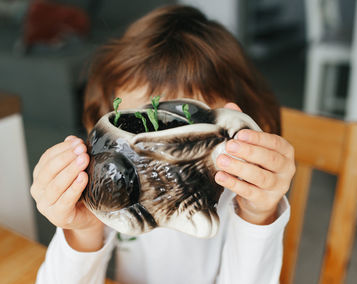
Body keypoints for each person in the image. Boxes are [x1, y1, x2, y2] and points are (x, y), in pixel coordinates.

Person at [32, 5, 296, 284]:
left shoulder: (235, 194)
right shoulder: (117, 188)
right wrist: (84, 230)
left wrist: (258, 213)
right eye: (140, 125)